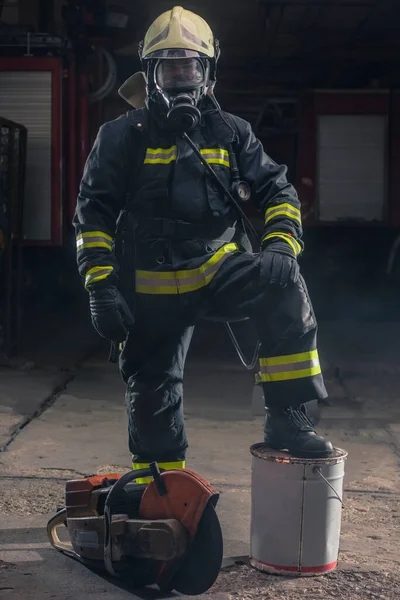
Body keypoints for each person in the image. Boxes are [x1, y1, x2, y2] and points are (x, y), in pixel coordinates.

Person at [73, 6, 333, 483]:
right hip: (149, 287)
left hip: (218, 270)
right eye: (168, 67)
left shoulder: (232, 133)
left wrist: (280, 245)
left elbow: (279, 191)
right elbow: (92, 215)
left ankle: (286, 417)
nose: (179, 78)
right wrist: (101, 288)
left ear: (207, 73)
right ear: (149, 76)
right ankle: (162, 487)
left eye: (188, 66)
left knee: (284, 284)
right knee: (154, 389)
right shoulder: (120, 137)